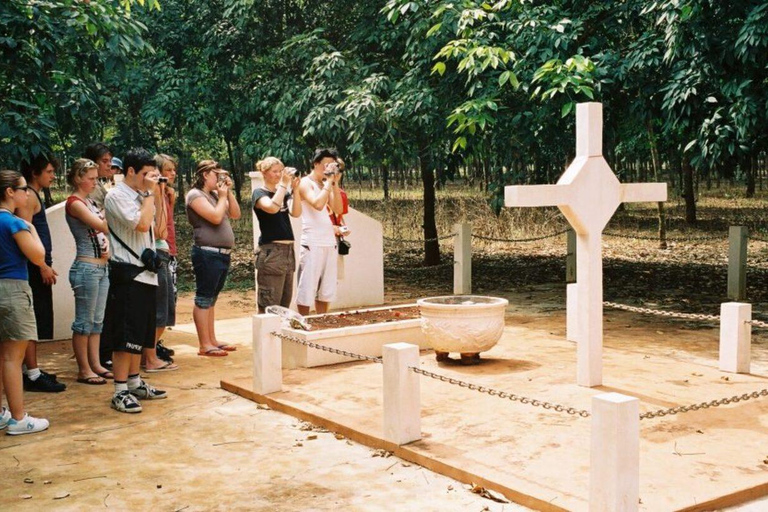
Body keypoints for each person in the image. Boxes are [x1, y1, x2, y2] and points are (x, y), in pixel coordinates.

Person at [103, 148, 167, 413]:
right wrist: (151, 194)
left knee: (140, 334)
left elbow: (158, 228)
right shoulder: (117, 196)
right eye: (145, 174)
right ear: (130, 171)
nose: (149, 179)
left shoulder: (144, 196)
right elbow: (140, 225)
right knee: (125, 335)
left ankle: (134, 382)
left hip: (145, 274)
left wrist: (156, 194)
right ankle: (119, 391)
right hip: (128, 273)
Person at [0, 169, 51, 434]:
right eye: (22, 189)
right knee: (12, 357)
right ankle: (18, 418)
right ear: (10, 192)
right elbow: (38, 256)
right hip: (13, 290)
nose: (26, 193)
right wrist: (31, 228)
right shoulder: (14, 223)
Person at [16, 154, 66, 393]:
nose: (52, 175)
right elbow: (24, 235)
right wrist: (42, 265)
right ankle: (32, 373)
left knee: (37, 319)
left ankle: (31, 370)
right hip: (33, 269)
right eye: (48, 171)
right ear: (34, 173)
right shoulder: (27, 198)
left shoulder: (33, 195)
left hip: (38, 266)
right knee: (32, 319)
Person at [186, 160, 241, 357]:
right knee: (203, 297)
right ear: (205, 175)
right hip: (206, 253)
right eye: (215, 173)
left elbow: (235, 214)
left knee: (212, 299)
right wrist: (223, 196)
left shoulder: (215, 195)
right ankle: (204, 344)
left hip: (221, 254)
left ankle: (212, 339)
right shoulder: (195, 195)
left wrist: (228, 193)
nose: (219, 177)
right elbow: (216, 218)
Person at [65, 159, 113, 384]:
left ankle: (95, 364)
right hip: (86, 267)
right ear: (78, 178)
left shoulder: (88, 202)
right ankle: (84, 368)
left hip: (100, 268)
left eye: (96, 178)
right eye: (91, 178)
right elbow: (103, 225)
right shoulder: (75, 203)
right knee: (84, 322)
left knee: (96, 321)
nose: (95, 182)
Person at [142, 154, 179, 372]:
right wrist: (158, 192)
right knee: (159, 312)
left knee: (166, 311)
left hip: (166, 251)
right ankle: (150, 357)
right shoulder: (153, 194)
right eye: (167, 171)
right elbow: (160, 229)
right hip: (157, 253)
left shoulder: (165, 195)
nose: (172, 175)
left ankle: (151, 353)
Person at [296, 148, 343, 315]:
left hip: (329, 242)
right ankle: (304, 322)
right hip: (312, 242)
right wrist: (328, 184)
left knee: (326, 289)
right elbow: (317, 204)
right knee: (307, 288)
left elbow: (338, 208)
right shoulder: (305, 182)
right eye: (325, 165)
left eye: (332, 165)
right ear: (316, 164)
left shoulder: (326, 184)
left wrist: (334, 183)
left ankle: (322, 321)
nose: (328, 169)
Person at [252, 157, 302, 313]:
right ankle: (265, 337)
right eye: (275, 171)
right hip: (271, 251)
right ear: (264, 173)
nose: (279, 174)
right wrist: (283, 185)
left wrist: (295, 190)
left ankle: (279, 336)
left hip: (287, 251)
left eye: (281, 171)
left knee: (284, 304)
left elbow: (296, 212)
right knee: (269, 303)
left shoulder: (283, 193)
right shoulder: (259, 193)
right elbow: (272, 208)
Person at [85, 142, 114, 210]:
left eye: (110, 161)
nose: (109, 164)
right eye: (104, 161)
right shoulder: (92, 187)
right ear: (93, 163)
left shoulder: (96, 182)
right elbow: (98, 215)